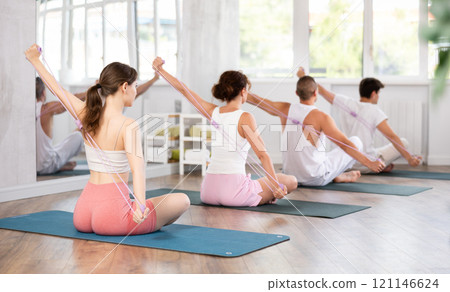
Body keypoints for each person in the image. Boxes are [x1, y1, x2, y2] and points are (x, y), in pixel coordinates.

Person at [26, 44, 189, 235]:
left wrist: (35, 60)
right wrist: (140, 208)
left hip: (83, 213)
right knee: (182, 200)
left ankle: (143, 219)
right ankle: (148, 222)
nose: (136, 91)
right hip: (112, 218)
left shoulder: (86, 113)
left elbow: (58, 90)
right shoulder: (128, 125)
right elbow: (138, 171)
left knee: (150, 205)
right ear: (124, 87)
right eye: (135, 86)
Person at [152, 57, 298, 206]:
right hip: (233, 194)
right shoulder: (246, 117)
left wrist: (160, 70)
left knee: (265, 182)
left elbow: (184, 90)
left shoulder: (212, 111)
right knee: (290, 181)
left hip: (208, 192)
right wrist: (275, 187)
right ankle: (266, 195)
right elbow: (262, 155)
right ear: (243, 91)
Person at [247, 74, 385, 186]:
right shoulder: (322, 117)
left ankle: (337, 176)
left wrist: (241, 89)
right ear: (315, 92)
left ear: (297, 93)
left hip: (291, 176)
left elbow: (255, 100)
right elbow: (344, 144)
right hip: (315, 178)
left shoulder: (285, 109)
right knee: (356, 141)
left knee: (323, 154)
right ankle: (335, 176)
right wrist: (370, 163)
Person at [297, 68, 422, 173]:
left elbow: (322, 91)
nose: (378, 97)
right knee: (403, 142)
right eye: (378, 94)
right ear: (373, 94)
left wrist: (303, 76)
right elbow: (392, 137)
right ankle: (380, 166)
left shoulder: (345, 102)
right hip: (366, 163)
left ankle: (382, 166)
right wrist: (409, 158)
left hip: (348, 160)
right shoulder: (375, 110)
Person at [35, 73, 159, 175]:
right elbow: (69, 99)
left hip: (109, 139)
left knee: (78, 134)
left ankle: (60, 164)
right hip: (50, 163)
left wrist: (154, 78)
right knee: (79, 133)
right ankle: (59, 164)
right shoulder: (96, 96)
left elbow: (137, 91)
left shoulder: (118, 97)